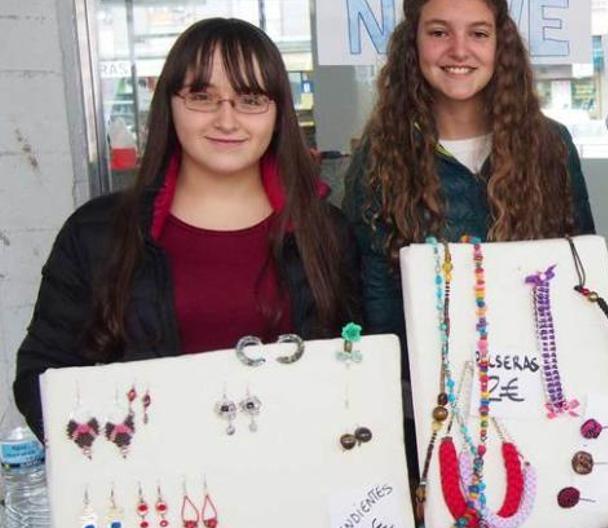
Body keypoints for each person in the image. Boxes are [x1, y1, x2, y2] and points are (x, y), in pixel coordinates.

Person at [14, 18, 359, 437]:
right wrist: (113, 458)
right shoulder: (96, 233)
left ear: (277, 114)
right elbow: (41, 376)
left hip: (294, 483)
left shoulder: (324, 232)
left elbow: (356, 368)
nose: (226, 120)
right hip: (155, 492)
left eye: (250, 100)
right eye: (202, 96)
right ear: (170, 105)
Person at [342, 0, 595, 350]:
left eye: (478, 33)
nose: (459, 50)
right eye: (439, 32)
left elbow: (580, 272)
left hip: (538, 376)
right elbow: (376, 298)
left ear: (499, 44)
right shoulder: (381, 154)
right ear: (412, 42)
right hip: (431, 385)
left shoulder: (550, 144)